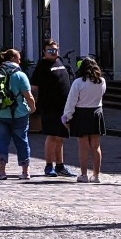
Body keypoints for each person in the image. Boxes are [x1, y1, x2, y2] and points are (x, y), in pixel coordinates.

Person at [0, 49, 35, 180]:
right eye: (18, 58)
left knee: (2, 141)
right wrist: (32, 107)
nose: (20, 61)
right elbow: (28, 95)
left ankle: (1, 171)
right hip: (19, 114)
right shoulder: (20, 75)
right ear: (12, 58)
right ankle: (25, 171)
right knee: (22, 141)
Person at [63, 57, 108, 183]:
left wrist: (67, 116)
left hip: (81, 113)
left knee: (83, 146)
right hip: (96, 112)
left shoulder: (78, 82)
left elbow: (71, 101)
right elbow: (102, 95)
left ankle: (83, 174)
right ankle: (96, 175)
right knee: (96, 146)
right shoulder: (101, 81)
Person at [32, 43, 72, 178]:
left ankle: (60, 166)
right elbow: (35, 87)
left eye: (55, 49)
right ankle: (49, 165)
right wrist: (36, 104)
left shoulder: (59, 61)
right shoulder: (42, 66)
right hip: (50, 106)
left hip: (63, 107)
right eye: (50, 50)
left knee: (60, 137)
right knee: (52, 136)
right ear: (44, 51)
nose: (53, 52)